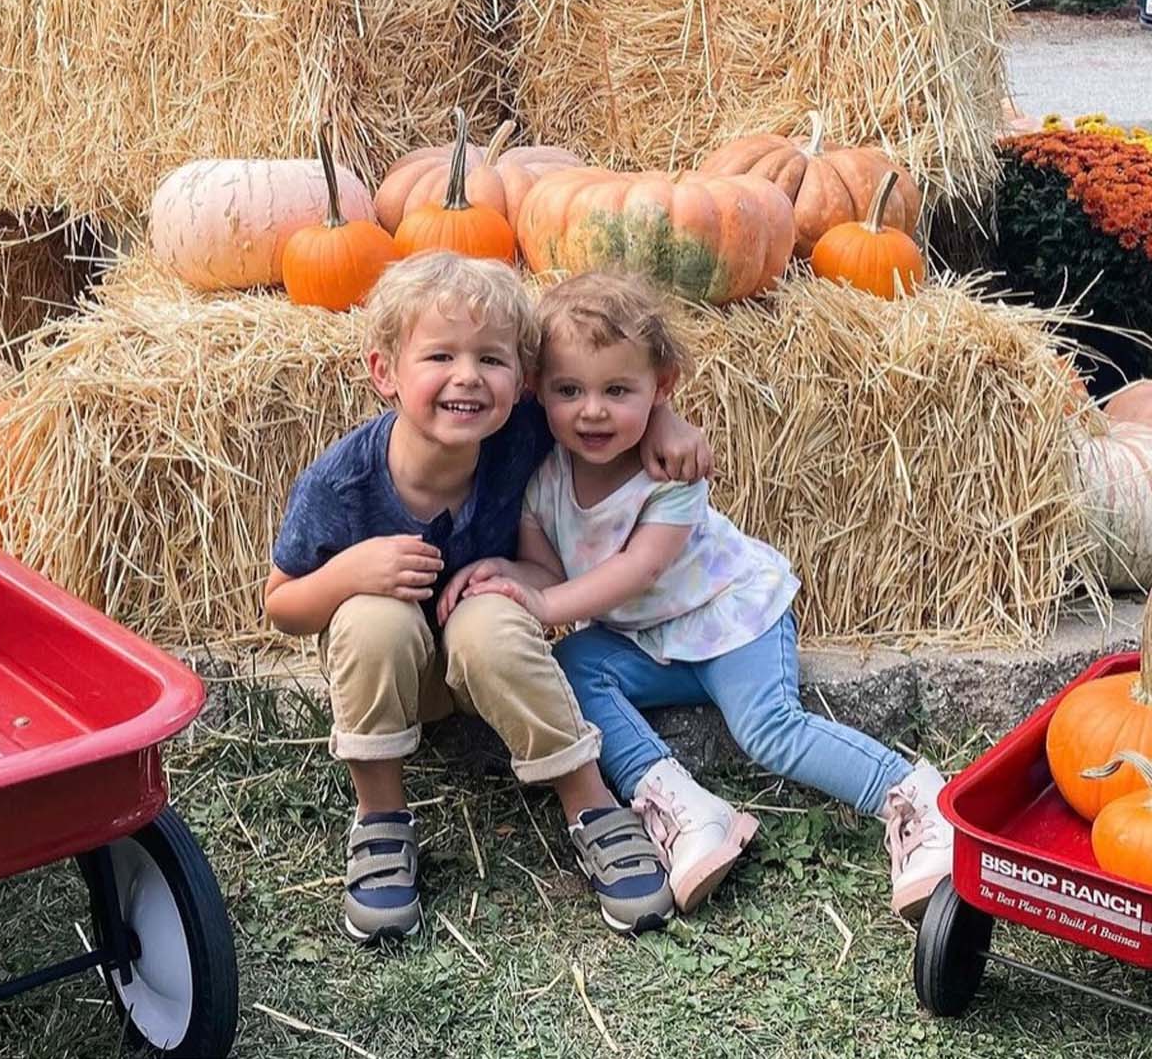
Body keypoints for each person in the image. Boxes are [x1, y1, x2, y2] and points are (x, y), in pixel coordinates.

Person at [447, 271, 952, 921]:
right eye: (569, 390)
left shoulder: (669, 473)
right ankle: (685, 806)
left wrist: (545, 608)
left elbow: (638, 568)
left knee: (768, 730)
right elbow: (546, 571)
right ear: (537, 388)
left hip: (731, 620)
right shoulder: (544, 482)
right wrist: (510, 574)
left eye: (617, 391)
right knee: (574, 669)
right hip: (648, 640)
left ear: (662, 388)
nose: (592, 410)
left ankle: (914, 798)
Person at [265, 251, 714, 943]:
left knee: (491, 620)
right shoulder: (342, 483)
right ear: (384, 371)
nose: (468, 376)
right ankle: (380, 819)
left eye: (492, 359)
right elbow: (281, 605)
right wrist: (350, 571)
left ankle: (591, 806)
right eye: (440, 356)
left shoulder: (519, 433)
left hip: (486, 665)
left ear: (522, 379)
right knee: (369, 618)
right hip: (400, 676)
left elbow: (604, 389)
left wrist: (663, 418)